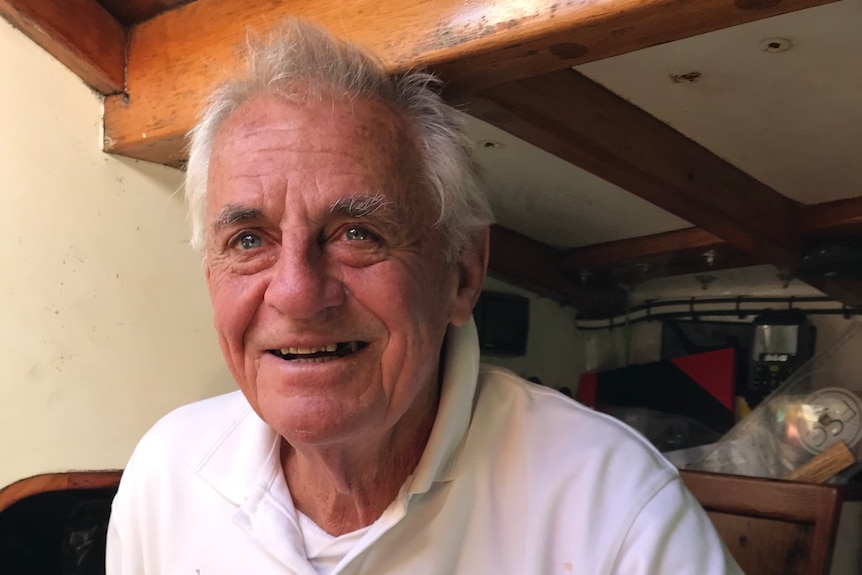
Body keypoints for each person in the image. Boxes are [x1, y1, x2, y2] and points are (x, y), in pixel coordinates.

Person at [106, 19, 742, 575]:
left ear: (462, 274)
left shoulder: (615, 506)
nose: (298, 293)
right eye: (248, 240)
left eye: (358, 233)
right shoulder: (165, 474)